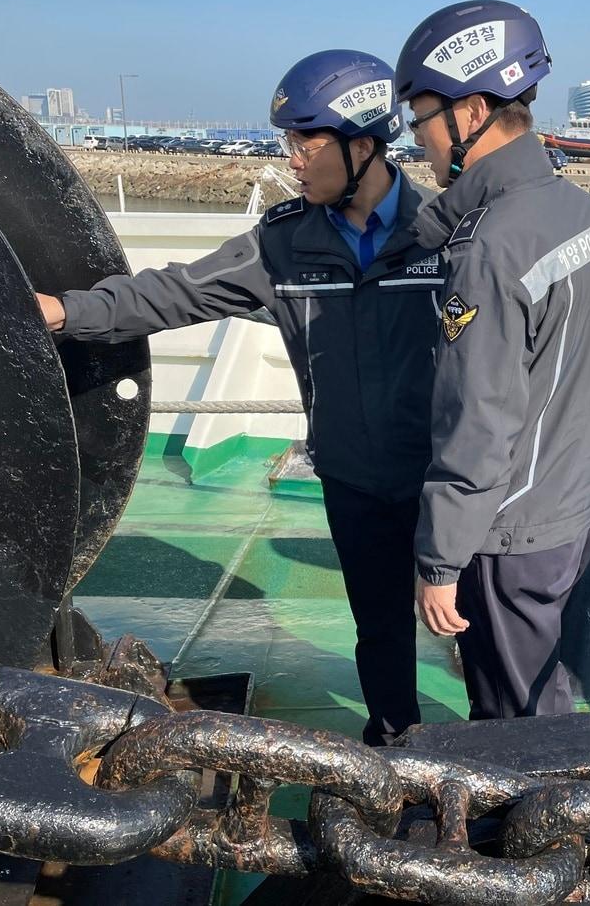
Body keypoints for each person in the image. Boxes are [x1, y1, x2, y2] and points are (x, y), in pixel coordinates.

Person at [36, 50, 438, 746]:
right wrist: (65, 313)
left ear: (364, 144)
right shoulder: (283, 243)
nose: (293, 160)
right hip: (354, 478)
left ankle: (505, 760)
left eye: (305, 143)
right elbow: (175, 292)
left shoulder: (446, 231)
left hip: (447, 481)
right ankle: (395, 746)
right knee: (380, 628)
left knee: (482, 628)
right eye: (289, 143)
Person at [395, 0, 590, 719]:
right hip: (577, 506)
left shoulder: (489, 247)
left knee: (514, 723)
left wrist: (439, 564)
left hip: (511, 531)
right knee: (542, 687)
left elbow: (479, 421)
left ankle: (539, 831)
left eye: (421, 121)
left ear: (468, 115)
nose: (418, 142)